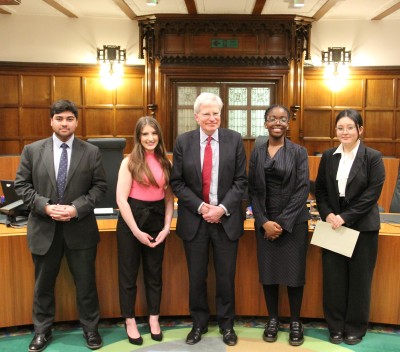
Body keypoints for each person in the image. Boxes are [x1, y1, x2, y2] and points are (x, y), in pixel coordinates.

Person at [14, 99, 107, 351]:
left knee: (86, 284)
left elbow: (100, 187)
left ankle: (91, 330)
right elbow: (21, 186)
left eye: (69, 119)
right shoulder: (32, 151)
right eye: (59, 119)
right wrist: (44, 205)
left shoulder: (91, 152)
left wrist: (77, 208)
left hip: (80, 230)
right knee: (43, 285)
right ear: (51, 121)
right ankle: (42, 331)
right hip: (44, 229)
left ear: (76, 122)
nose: (64, 123)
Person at [170, 92, 247, 346]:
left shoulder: (235, 140)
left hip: (226, 221)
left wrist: (221, 208)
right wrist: (203, 208)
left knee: (226, 277)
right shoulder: (184, 142)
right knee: (196, 277)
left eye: (216, 113)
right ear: (196, 117)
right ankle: (198, 323)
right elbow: (177, 183)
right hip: (195, 221)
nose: (212, 118)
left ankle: (227, 325)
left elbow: (241, 181)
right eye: (207, 113)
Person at [315, 109, 385, 345]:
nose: (344, 132)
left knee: (359, 281)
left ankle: (355, 327)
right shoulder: (328, 156)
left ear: (360, 130)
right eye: (340, 128)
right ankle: (335, 326)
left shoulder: (373, 157)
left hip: (362, 228)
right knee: (333, 280)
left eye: (349, 127)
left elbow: (372, 195)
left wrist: (345, 217)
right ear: (335, 131)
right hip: (333, 226)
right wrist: (329, 214)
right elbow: (321, 190)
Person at [248, 104, 310, 347]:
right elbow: (252, 189)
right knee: (269, 274)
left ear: (288, 124)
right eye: (272, 118)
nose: (278, 122)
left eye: (283, 119)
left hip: (293, 223)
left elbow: (303, 188)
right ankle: (272, 318)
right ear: (265, 123)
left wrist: (281, 223)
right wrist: (263, 222)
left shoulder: (298, 152)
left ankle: (295, 321)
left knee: (294, 276)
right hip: (264, 223)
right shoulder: (257, 152)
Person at [115, 116, 173, 345]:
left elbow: (169, 199)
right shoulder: (129, 162)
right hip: (131, 221)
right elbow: (121, 199)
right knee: (128, 274)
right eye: (145, 134)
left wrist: (167, 227)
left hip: (157, 220)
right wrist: (137, 231)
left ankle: (154, 319)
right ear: (138, 137)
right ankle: (129, 321)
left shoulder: (166, 162)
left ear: (159, 136)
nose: (150, 138)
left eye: (154, 133)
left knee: (154, 274)